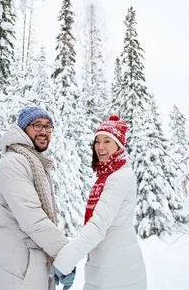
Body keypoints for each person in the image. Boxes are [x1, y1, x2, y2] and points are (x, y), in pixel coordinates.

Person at [0, 106, 74, 290]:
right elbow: (32, 217)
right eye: (37, 125)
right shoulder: (15, 162)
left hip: (24, 266)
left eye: (48, 127)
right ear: (24, 129)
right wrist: (65, 253)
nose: (44, 132)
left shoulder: (31, 161)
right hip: (14, 270)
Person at [51, 115, 147, 290]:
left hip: (116, 272)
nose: (100, 147)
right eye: (97, 141)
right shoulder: (109, 176)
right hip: (112, 265)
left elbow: (97, 225)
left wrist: (64, 261)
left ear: (119, 145)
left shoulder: (118, 178)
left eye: (107, 141)